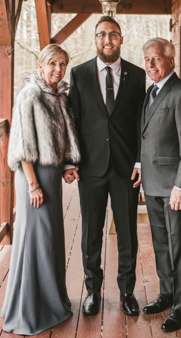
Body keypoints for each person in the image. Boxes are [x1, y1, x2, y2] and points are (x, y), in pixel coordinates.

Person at [66, 16, 146, 317]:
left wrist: (139, 160)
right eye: (101, 35)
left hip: (126, 167)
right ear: (94, 39)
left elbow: (142, 123)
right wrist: (69, 161)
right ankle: (92, 291)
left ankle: (127, 292)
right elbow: (72, 123)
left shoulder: (137, 75)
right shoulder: (79, 74)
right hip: (90, 167)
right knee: (91, 233)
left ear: (122, 39)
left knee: (127, 233)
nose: (107, 40)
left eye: (113, 34)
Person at [1, 44, 81, 335]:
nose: (57, 69)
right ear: (40, 66)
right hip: (32, 177)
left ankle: (52, 303)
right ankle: (29, 311)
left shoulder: (58, 95)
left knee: (49, 240)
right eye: (52, 64)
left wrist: (66, 166)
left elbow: (59, 140)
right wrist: (33, 185)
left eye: (62, 64)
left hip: (51, 176)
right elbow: (22, 147)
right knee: (34, 241)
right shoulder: (30, 95)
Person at [138, 37, 181, 332]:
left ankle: (180, 305)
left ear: (171, 61)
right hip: (151, 183)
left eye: (157, 58)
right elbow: (147, 135)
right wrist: (140, 164)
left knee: (178, 246)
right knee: (161, 244)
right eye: (147, 58)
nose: (150, 64)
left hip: (175, 187)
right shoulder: (151, 91)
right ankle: (166, 294)